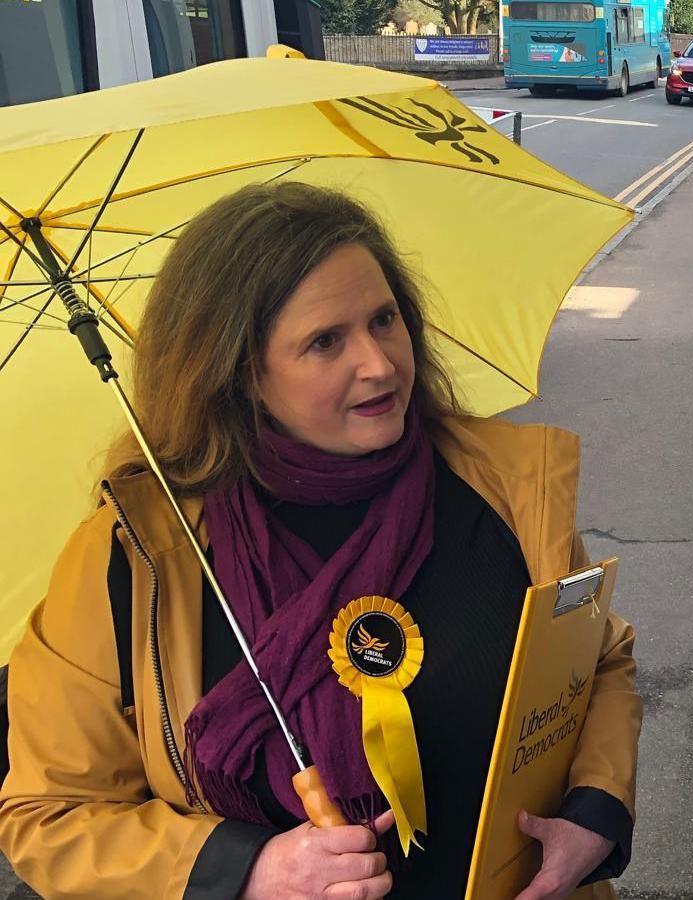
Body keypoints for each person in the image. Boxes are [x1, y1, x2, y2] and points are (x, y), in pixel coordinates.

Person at [0, 183, 642, 900]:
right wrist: (244, 870)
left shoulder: (504, 488)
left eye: (384, 319)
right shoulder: (137, 556)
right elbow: (50, 816)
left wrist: (597, 809)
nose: (379, 364)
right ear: (239, 371)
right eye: (325, 342)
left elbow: (598, 659)